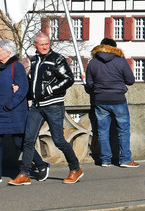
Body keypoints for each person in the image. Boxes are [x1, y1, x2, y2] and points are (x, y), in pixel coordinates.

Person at [9, 32, 83, 185]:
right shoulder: (35, 60)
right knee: (28, 140)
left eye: (46, 44)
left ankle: (75, 168)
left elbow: (68, 79)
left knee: (59, 140)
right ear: (35, 45)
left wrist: (50, 90)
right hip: (36, 106)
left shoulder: (57, 59)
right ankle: (24, 173)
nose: (44, 47)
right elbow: (33, 82)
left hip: (53, 105)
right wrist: (21, 89)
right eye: (41, 44)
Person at [85, 38, 137, 168]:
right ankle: (125, 159)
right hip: (118, 99)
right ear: (114, 48)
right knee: (123, 130)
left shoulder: (93, 62)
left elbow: (89, 84)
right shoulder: (120, 61)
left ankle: (105, 159)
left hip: (100, 100)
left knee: (102, 130)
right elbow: (130, 80)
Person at [0, 39, 33, 180]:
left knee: (19, 141)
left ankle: (41, 164)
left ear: (7, 53)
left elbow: (23, 89)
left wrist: (9, 104)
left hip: (13, 112)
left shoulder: (17, 67)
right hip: (1, 111)